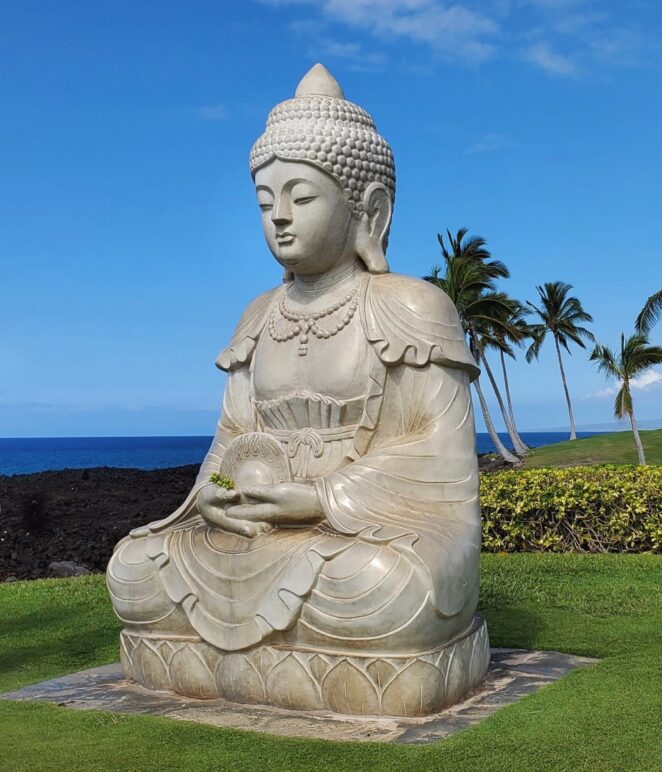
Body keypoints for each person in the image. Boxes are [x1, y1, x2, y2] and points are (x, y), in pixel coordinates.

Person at [106, 65, 488, 714]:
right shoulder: (257, 317)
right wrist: (218, 499)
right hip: (259, 527)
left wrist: (316, 498)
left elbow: (440, 457)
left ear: (369, 208)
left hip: (371, 532)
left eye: (301, 198)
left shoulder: (412, 307)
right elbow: (230, 442)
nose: (278, 217)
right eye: (264, 201)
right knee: (133, 567)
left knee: (380, 585)